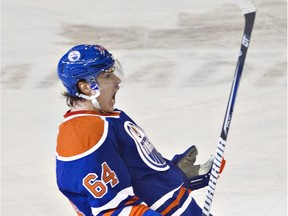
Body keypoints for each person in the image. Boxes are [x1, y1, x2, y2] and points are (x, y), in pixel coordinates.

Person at [56, 44, 217, 216]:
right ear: (86, 87)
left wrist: (175, 176)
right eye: (107, 76)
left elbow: (131, 176)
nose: (117, 82)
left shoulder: (104, 119)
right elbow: (113, 210)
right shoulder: (84, 135)